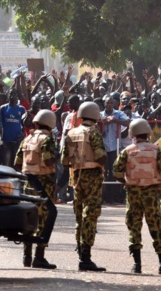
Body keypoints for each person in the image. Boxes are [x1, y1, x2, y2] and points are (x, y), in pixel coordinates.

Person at [112, 119, 161, 276]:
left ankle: (137, 264)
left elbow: (116, 171)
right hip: (151, 194)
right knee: (156, 226)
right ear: (148, 133)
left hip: (133, 193)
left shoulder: (127, 151)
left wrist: (126, 181)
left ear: (132, 134)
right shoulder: (156, 150)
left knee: (134, 227)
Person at [61, 102, 107, 272]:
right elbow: (101, 156)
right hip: (92, 176)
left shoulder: (71, 133)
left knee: (79, 214)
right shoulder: (94, 133)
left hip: (76, 176)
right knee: (91, 214)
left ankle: (81, 252)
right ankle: (86, 257)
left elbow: (64, 161)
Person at [14, 109, 58, 269]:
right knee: (45, 219)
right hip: (44, 184)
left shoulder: (28, 139)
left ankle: (27, 256)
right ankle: (39, 257)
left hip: (28, 184)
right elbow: (48, 161)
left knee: (29, 219)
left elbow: (17, 162)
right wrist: (57, 155)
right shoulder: (47, 140)